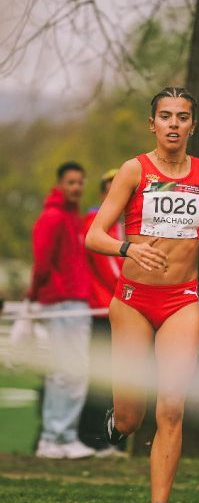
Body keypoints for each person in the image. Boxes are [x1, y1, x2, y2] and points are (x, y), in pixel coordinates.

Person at [85, 87, 199, 503]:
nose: (173, 124)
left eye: (182, 117)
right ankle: (119, 423)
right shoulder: (133, 170)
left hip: (182, 301)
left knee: (172, 407)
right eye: (165, 116)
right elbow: (94, 236)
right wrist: (129, 248)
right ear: (152, 124)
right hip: (132, 301)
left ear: (192, 125)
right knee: (132, 417)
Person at [28, 161, 96, 460]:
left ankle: (61, 437)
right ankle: (54, 438)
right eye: (71, 182)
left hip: (75, 302)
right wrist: (34, 296)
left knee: (72, 372)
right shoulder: (53, 218)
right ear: (59, 184)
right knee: (66, 372)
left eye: (80, 182)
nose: (76, 187)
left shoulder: (72, 218)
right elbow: (42, 262)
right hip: (62, 303)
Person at [79, 169, 126, 456]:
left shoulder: (123, 224)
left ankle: (110, 438)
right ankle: (93, 438)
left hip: (118, 311)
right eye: (110, 189)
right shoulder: (97, 223)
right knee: (101, 377)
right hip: (102, 311)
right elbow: (111, 271)